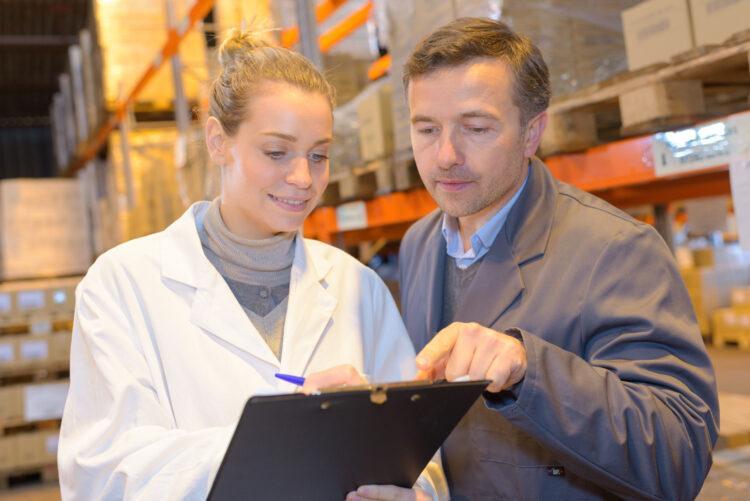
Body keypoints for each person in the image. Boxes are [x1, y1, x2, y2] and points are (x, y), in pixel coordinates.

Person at [58, 30, 446, 500]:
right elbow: (103, 475)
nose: (303, 178)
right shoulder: (122, 286)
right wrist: (284, 432)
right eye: (276, 152)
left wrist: (414, 494)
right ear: (219, 141)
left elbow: (420, 458)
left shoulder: (356, 287)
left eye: (318, 155)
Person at [395, 17, 719, 500]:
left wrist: (531, 370)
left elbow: (679, 453)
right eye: (426, 129)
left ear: (532, 132)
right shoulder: (419, 244)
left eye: (476, 127)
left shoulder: (615, 250)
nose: (444, 155)